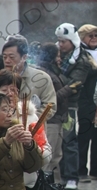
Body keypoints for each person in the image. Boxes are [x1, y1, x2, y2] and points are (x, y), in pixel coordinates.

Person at [37, 42, 80, 183]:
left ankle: (52, 183)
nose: (60, 58)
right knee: (49, 157)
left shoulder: (54, 70)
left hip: (59, 119)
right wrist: (68, 89)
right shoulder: (44, 73)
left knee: (56, 155)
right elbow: (51, 98)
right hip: (51, 121)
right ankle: (45, 183)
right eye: (58, 55)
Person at [56, 22, 92, 189]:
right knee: (55, 142)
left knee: (69, 141)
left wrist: (55, 89)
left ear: (72, 41)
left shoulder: (82, 60)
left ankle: (72, 177)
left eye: (64, 41)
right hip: (53, 106)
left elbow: (75, 84)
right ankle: (59, 175)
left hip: (69, 106)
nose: (60, 44)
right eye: (59, 41)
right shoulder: (57, 56)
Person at [0, 89, 43, 189]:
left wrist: (29, 147)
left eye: (10, 109)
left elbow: (33, 168)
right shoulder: (9, 137)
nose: (9, 114)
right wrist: (4, 143)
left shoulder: (15, 131)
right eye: (4, 110)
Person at [0, 34, 57, 118]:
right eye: (4, 57)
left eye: (12, 57)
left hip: (32, 129)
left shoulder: (41, 78)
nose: (7, 61)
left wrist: (30, 120)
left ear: (24, 57)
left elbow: (50, 106)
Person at [77, 24, 97, 182]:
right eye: (90, 36)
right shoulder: (78, 54)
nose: (94, 38)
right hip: (84, 101)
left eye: (96, 35)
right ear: (82, 38)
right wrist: (95, 70)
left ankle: (96, 168)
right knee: (84, 136)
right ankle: (81, 169)